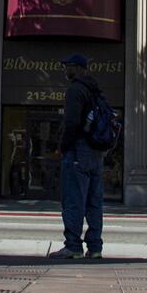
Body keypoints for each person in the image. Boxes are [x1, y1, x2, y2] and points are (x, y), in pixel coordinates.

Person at [49, 53, 105, 261]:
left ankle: (73, 246)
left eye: (69, 66)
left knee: (74, 199)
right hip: (96, 151)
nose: (66, 70)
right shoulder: (95, 90)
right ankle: (95, 246)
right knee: (94, 201)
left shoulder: (75, 89)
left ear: (79, 68)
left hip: (78, 149)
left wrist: (63, 146)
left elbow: (72, 123)